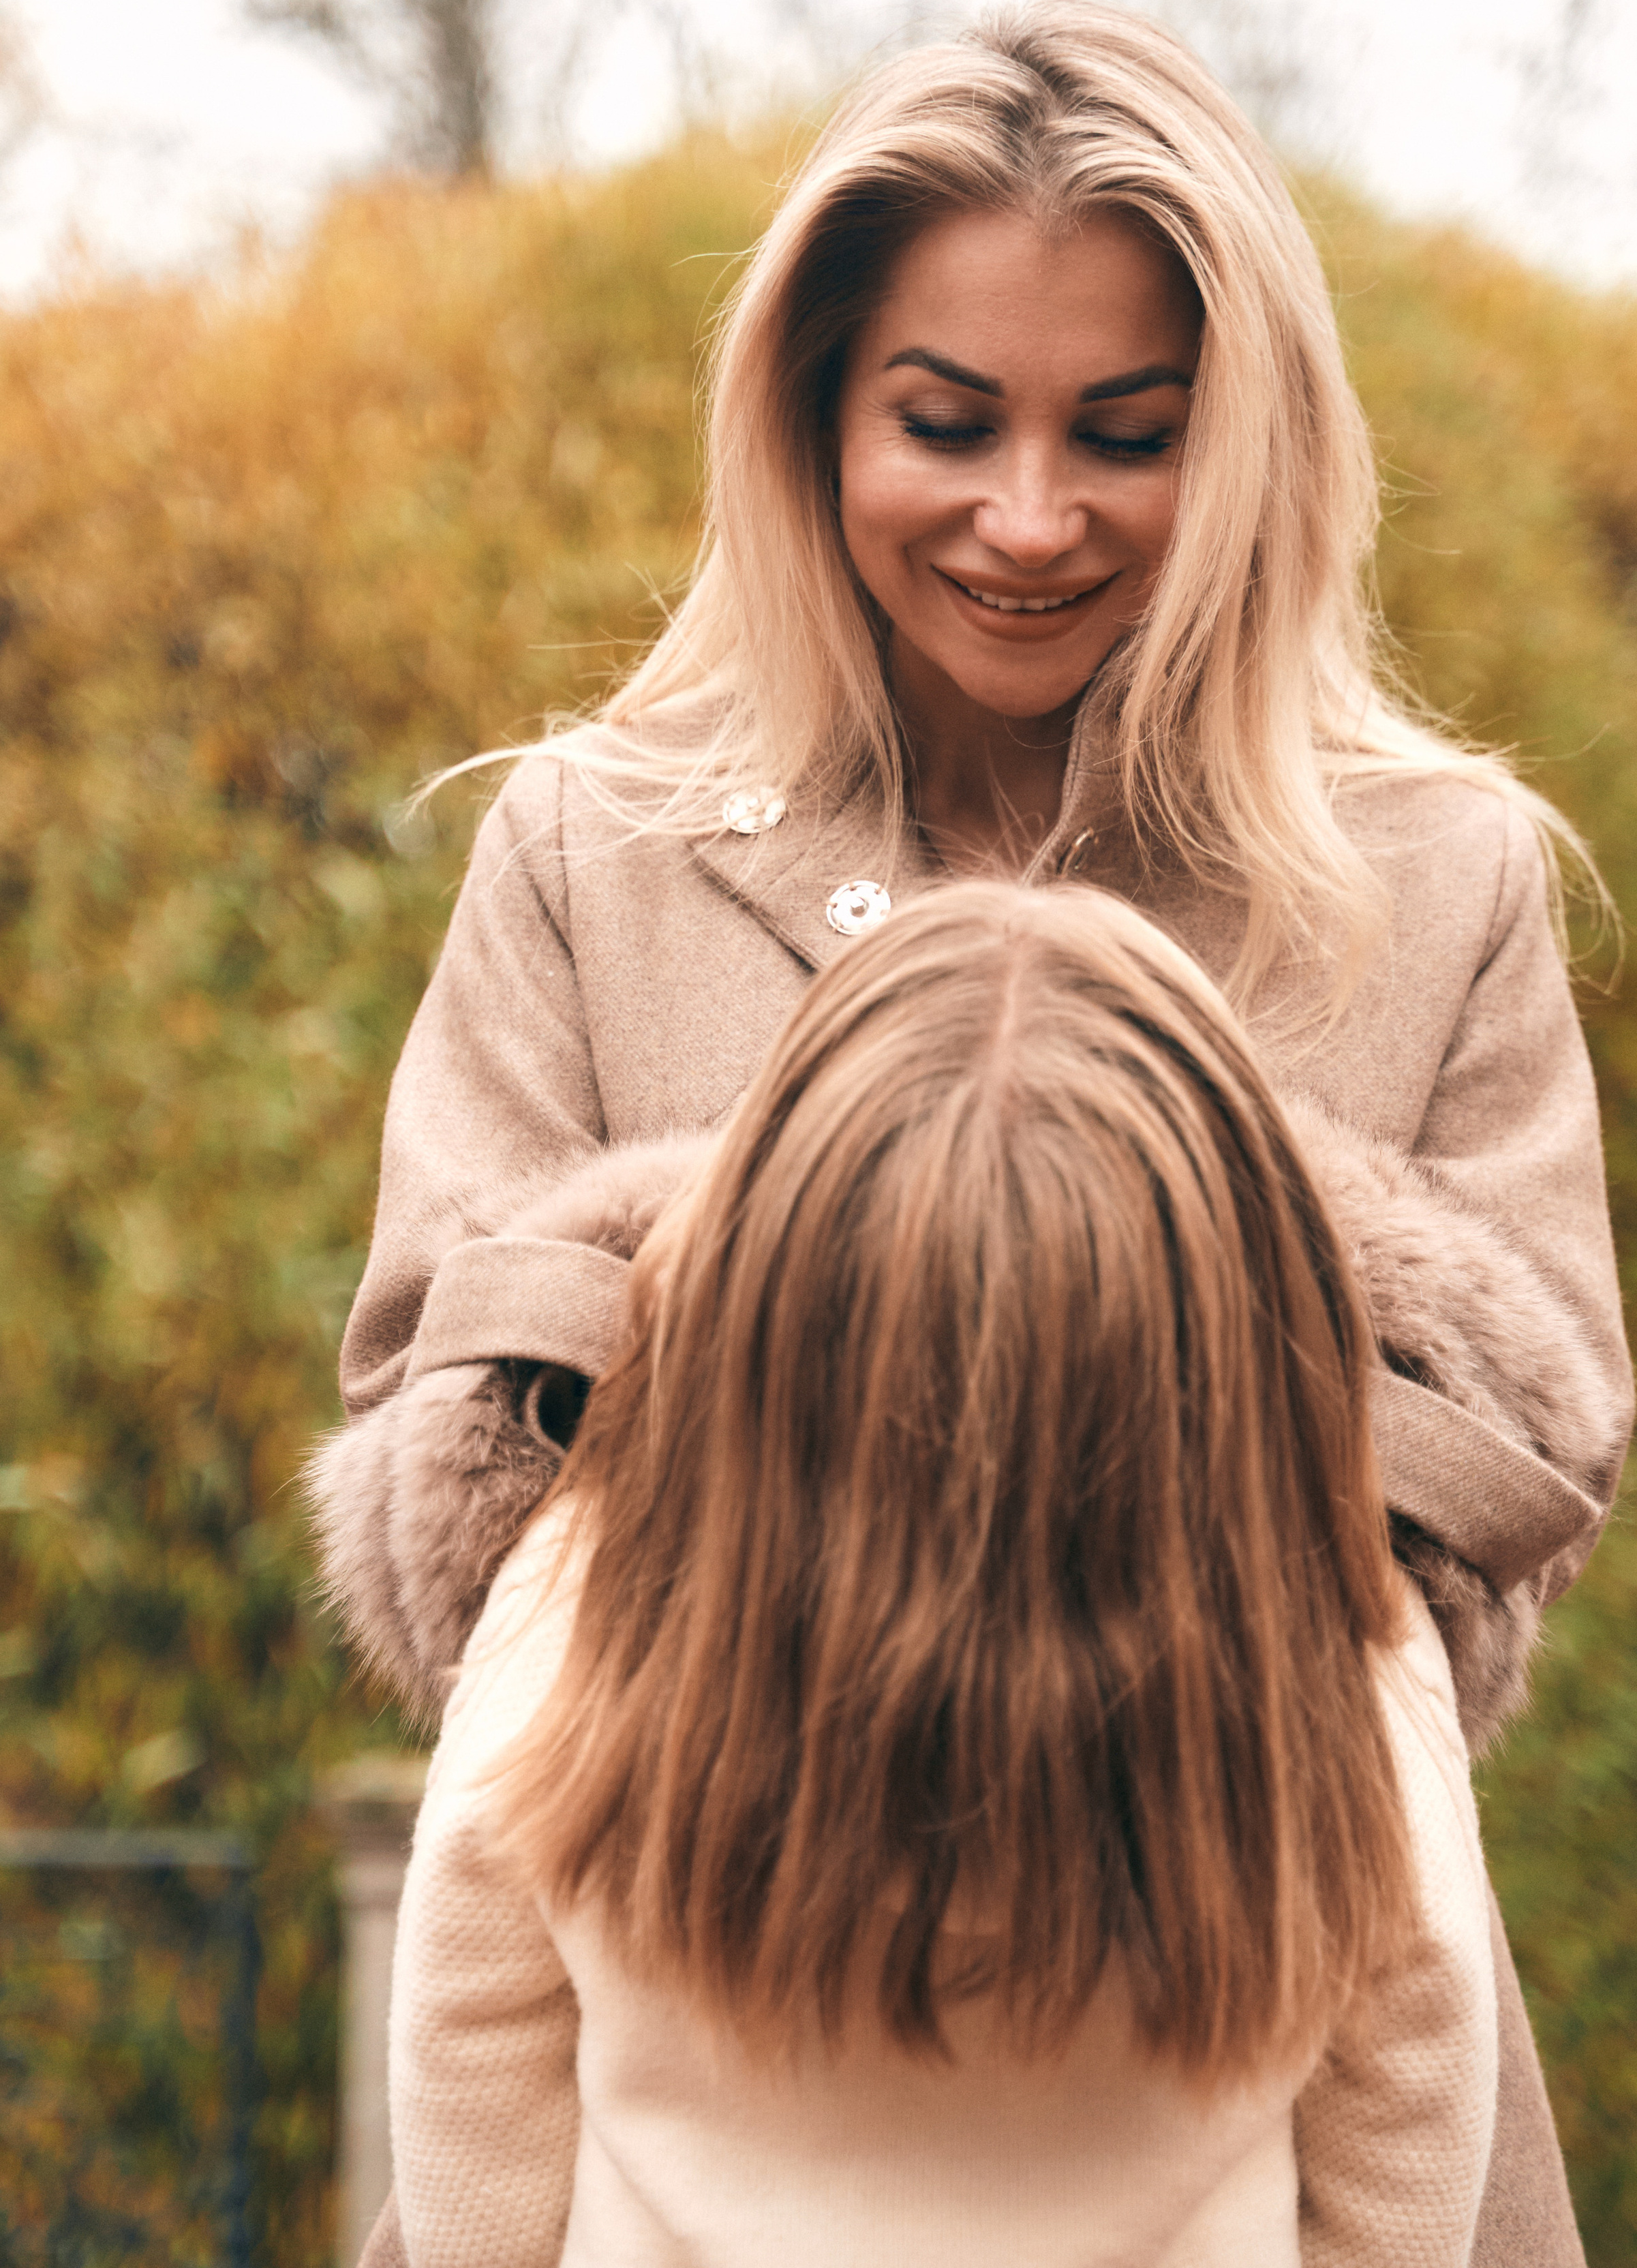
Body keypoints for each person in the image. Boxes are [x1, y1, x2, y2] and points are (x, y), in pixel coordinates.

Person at [311, 1, 1632, 2265]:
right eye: (947, 422)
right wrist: (931, 1221)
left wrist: (1051, 1225)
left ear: (1254, 442)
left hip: (1278, 2074)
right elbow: (446, 1476)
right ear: (816, 409)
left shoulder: (1438, 875)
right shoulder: (590, 849)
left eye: (1128, 433)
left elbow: (1511, 1494)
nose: (1033, 520)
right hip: (688, 2089)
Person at [387, 881, 1497, 2268]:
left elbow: (469, 2026)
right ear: (1248, 1302)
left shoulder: (590, 1584)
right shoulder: (1340, 1636)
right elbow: (1414, 2073)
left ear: (752, 1262)